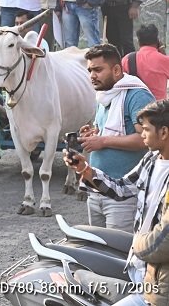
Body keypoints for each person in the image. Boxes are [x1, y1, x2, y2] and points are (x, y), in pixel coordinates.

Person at [64, 99, 169, 306]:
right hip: (140, 268)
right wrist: (85, 170)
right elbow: (120, 188)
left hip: (159, 279)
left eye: (146, 129)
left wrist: (138, 244)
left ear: (164, 133)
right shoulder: (150, 160)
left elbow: (162, 241)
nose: (142, 135)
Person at [79, 44, 155, 231]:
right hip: (96, 189)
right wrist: (94, 133)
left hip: (123, 195)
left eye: (98, 70)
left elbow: (145, 140)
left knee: (118, 255)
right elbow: (105, 130)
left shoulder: (136, 95)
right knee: (99, 251)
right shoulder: (104, 96)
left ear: (116, 70)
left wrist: (103, 141)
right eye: (90, 70)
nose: (92, 76)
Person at [123, 24, 169, 100]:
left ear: (139, 42)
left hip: (134, 106)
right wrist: (163, 55)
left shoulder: (127, 59)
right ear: (157, 41)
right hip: (158, 108)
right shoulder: (164, 60)